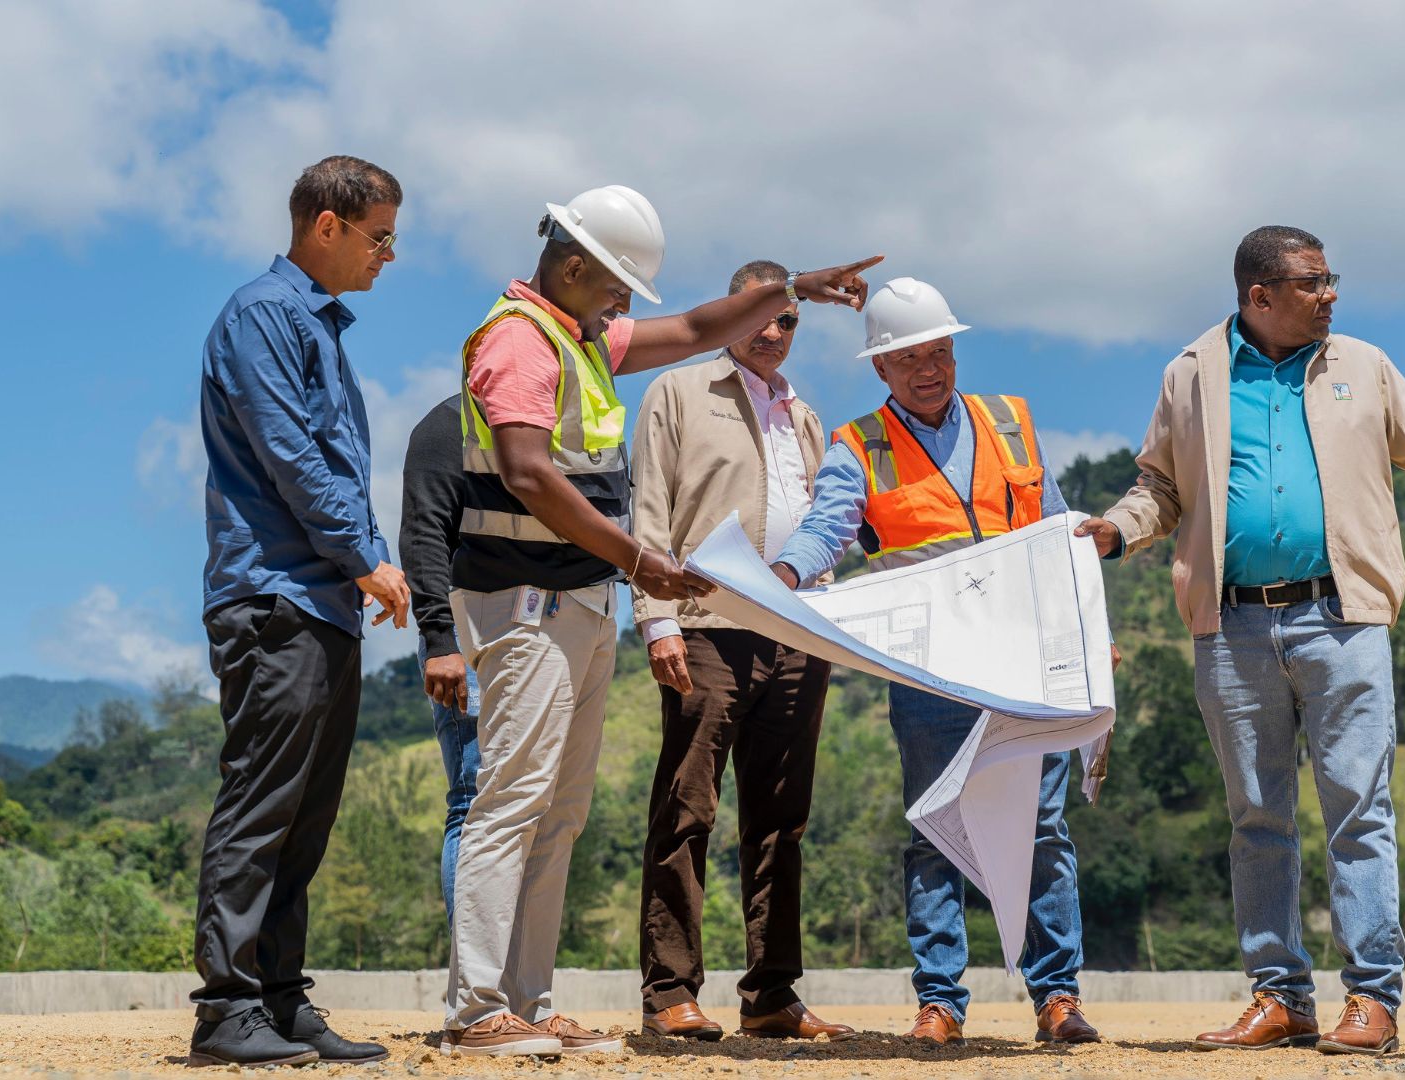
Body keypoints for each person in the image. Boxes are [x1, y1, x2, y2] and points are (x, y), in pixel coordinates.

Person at [442, 184, 879, 1058]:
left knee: (557, 811)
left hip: (578, 602)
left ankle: (526, 1000)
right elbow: (529, 473)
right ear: (575, 269)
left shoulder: (579, 338)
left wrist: (789, 283)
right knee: (515, 803)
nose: (623, 307)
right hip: (528, 601)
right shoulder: (522, 342)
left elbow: (689, 326)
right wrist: (639, 564)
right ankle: (479, 1004)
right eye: (616, 289)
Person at [1076, 226, 1405, 1057]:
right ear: (1259, 296)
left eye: (1330, 278)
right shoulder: (1190, 373)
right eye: (1314, 282)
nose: (1331, 294)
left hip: (1343, 618)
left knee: (1360, 811)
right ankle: (1280, 997)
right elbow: (1159, 487)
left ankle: (1372, 999)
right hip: (1231, 625)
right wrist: (1116, 532)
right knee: (1257, 818)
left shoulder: (1363, 365)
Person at [770, 277, 1102, 1048]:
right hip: (931, 672)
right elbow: (828, 528)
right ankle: (941, 1001)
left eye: (940, 351)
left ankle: (1057, 997)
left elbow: (1056, 532)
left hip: (1025, 661)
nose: (930, 368)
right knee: (933, 828)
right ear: (880, 368)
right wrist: (783, 578)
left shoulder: (1010, 422)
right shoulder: (858, 446)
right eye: (910, 357)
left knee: (1043, 827)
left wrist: (1087, 628)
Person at [190, 155, 410, 1067]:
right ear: (328, 225)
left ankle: (280, 1000)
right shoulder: (265, 315)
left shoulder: (316, 327)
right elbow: (291, 455)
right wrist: (367, 559)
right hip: (276, 598)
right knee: (261, 805)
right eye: (380, 237)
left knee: (305, 817)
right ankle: (226, 1008)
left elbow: (328, 463)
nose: (388, 256)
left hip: (321, 605)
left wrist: (365, 564)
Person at [628, 259, 852, 1042]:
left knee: (782, 820)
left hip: (797, 634)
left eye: (789, 320)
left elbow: (828, 523)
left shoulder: (808, 416)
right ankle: (669, 993)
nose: (772, 332)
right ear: (730, 311)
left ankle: (770, 996)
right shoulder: (677, 393)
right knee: (688, 809)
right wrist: (657, 621)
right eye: (759, 315)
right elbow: (649, 508)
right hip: (705, 627)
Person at [399, 394, 480, 920]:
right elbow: (423, 533)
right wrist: (440, 641)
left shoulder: (550, 425)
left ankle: (510, 979)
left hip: (536, 629)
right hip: (464, 635)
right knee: (471, 800)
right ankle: (470, 974)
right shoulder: (445, 426)